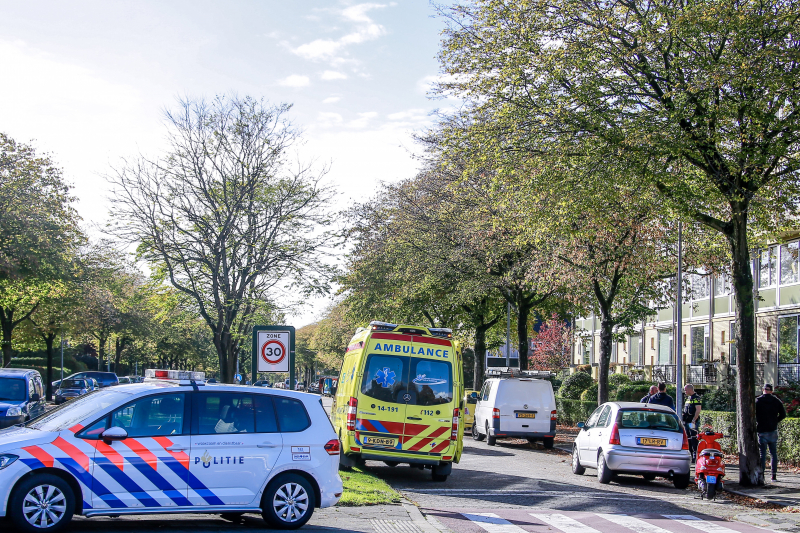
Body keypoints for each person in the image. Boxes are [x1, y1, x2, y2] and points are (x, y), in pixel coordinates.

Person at [756, 383, 786, 482]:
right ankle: (773, 475)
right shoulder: (776, 401)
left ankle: (762, 475)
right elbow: (783, 414)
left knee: (762, 454)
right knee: (773, 453)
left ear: (763, 390)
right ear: (771, 391)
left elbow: (753, 414)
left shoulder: (758, 401)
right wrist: (775, 421)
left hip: (761, 429)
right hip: (772, 429)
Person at [683, 384, 702, 460]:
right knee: (688, 437)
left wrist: (694, 420)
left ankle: (695, 454)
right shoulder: (688, 398)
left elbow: (698, 410)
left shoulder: (696, 398)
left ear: (690, 390)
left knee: (693, 437)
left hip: (692, 422)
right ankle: (690, 453)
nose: (685, 392)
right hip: (687, 421)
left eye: (686, 390)